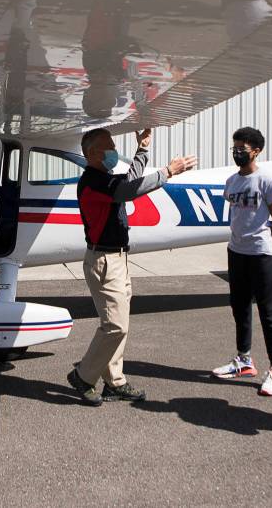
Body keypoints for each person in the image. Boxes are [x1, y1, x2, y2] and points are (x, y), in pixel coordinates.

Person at [67, 127, 197, 406]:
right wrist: (168, 172)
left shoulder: (103, 179)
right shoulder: (93, 181)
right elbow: (128, 190)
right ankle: (83, 376)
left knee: (120, 325)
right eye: (109, 147)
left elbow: (128, 181)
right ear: (92, 153)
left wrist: (143, 149)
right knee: (115, 326)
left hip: (117, 259)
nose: (114, 151)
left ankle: (115, 382)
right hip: (104, 263)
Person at [210, 127, 272, 396]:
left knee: (268, 312)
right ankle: (243, 359)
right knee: (239, 307)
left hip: (261, 253)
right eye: (235, 148)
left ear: (256, 150)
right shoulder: (232, 181)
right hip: (237, 252)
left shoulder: (266, 180)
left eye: (242, 149)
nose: (237, 153)